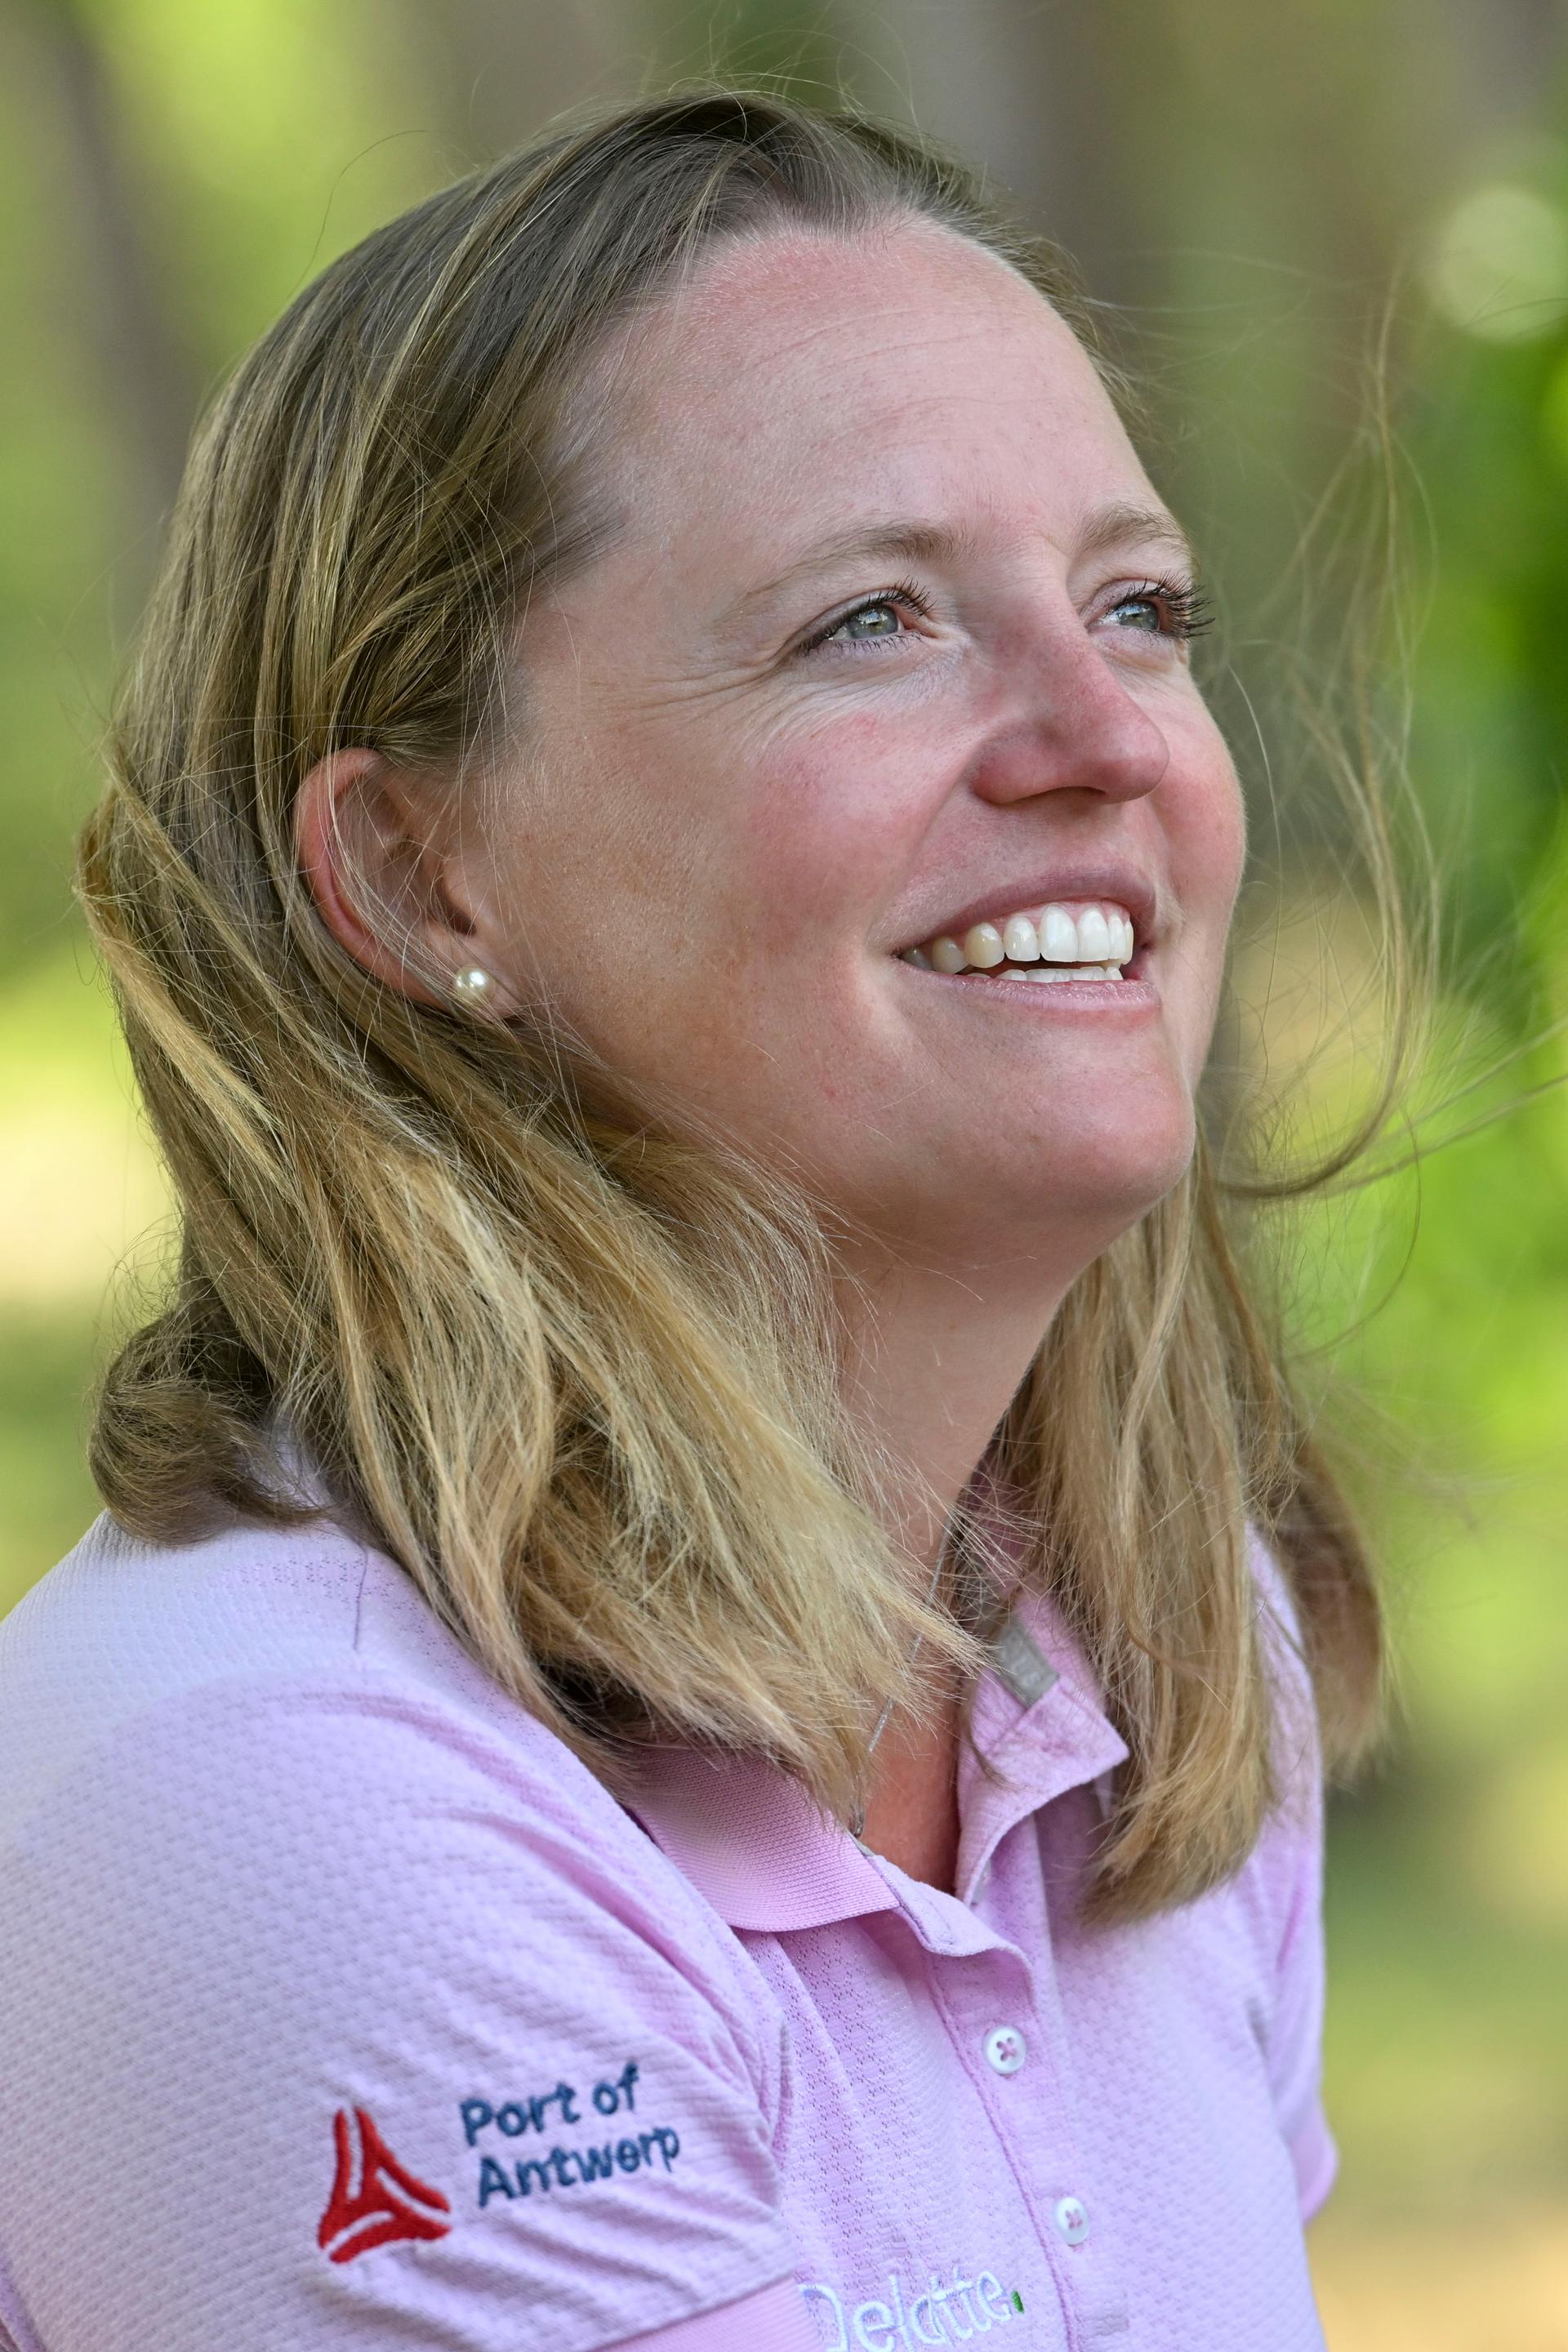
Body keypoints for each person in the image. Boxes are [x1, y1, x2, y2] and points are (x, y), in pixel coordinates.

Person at [0, 87, 1389, 2352]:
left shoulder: (1154, 1654)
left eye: (1141, 605)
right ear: (423, 871)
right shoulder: (283, 1799)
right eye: (871, 620)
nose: (1099, 733)